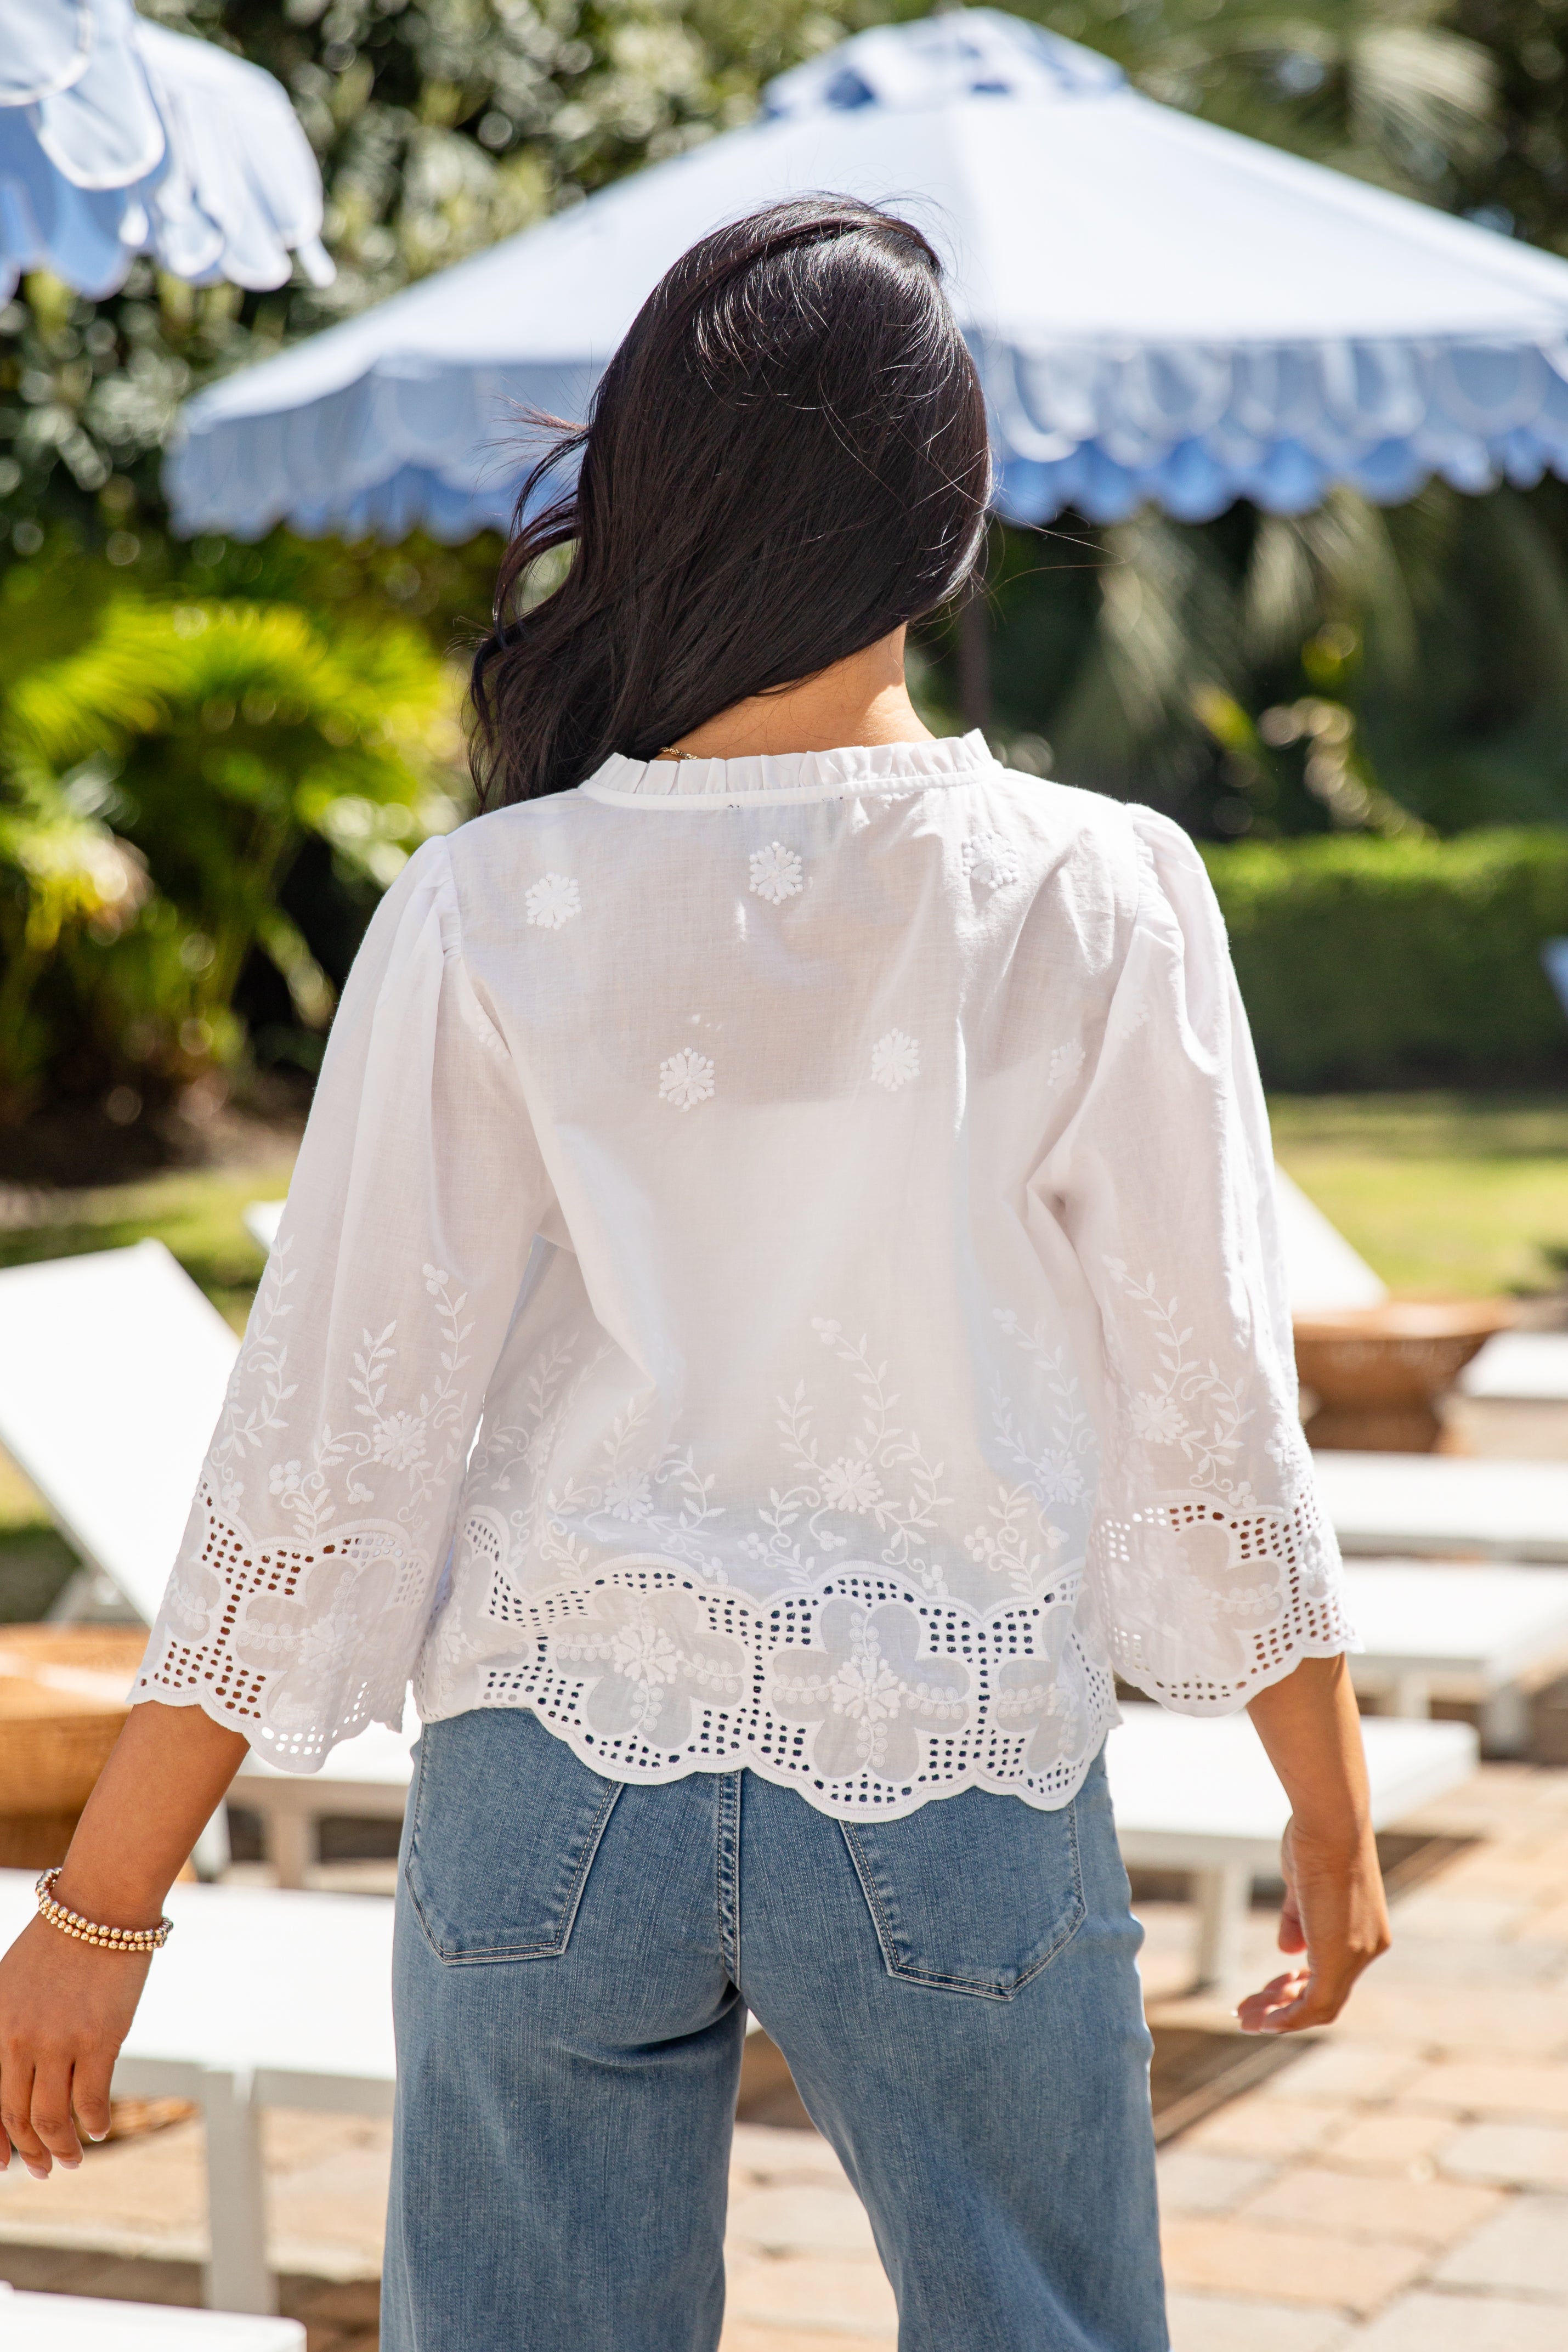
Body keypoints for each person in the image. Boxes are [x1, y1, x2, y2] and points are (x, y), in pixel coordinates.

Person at [0, 197, 1388, 2351]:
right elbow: (1204, 1396)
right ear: (950, 508)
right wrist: (1327, 1800)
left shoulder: (488, 905)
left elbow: (326, 1439)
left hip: (547, 1780)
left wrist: (101, 1903)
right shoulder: (1097, 894)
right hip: (957, 1769)